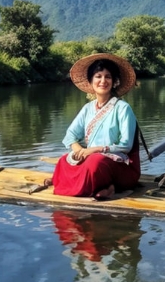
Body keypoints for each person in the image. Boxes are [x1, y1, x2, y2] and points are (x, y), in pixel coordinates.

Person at [50, 53, 141, 199]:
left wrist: (96, 150)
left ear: (114, 81)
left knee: (95, 162)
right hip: (92, 158)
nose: (103, 81)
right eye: (98, 76)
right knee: (64, 160)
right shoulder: (88, 108)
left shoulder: (123, 108)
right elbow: (70, 135)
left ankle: (105, 185)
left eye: (108, 77)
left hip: (121, 166)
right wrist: (80, 151)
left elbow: (126, 146)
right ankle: (106, 187)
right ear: (91, 81)